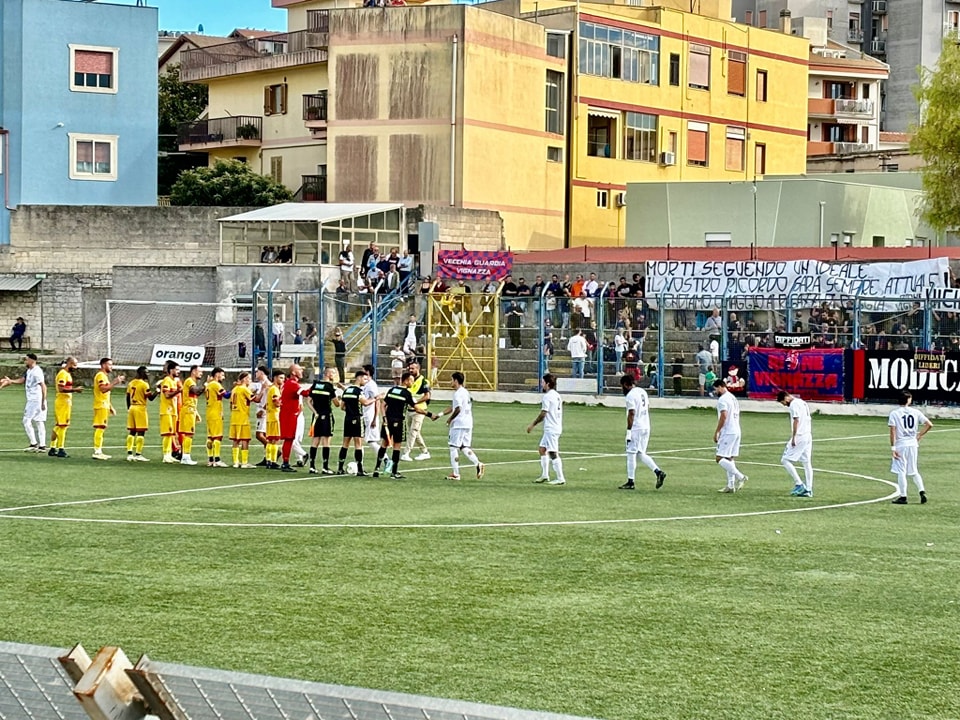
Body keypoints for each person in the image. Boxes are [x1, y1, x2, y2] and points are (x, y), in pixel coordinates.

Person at [375, 371, 437, 479]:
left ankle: (376, 469)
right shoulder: (407, 394)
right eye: (411, 380)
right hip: (399, 422)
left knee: (384, 444)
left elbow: (383, 404)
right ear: (406, 380)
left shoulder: (392, 390)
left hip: (388, 421)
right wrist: (429, 414)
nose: (412, 383)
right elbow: (416, 408)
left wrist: (384, 418)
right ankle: (394, 472)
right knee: (397, 447)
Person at [618, 374, 667, 491]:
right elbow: (648, 407)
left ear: (625, 384)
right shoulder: (642, 391)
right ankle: (658, 472)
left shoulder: (630, 396)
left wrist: (629, 431)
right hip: (646, 426)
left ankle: (631, 481)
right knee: (640, 453)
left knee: (631, 453)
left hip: (636, 428)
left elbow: (631, 413)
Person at [437, 371, 484, 481]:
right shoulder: (465, 392)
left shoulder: (458, 393)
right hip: (468, 423)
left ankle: (456, 473)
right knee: (464, 447)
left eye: (451, 380)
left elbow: (457, 409)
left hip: (459, 424)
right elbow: (454, 406)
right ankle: (478, 463)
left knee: (453, 447)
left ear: (456, 381)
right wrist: (440, 414)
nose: (450, 382)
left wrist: (450, 419)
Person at [888, 391, 933, 505]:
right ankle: (922, 491)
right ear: (908, 400)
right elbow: (929, 424)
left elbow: (893, 431)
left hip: (901, 444)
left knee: (901, 471)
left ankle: (903, 496)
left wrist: (893, 448)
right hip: (913, 444)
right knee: (913, 470)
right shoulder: (915, 412)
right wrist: (919, 435)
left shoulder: (894, 413)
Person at [0, 353, 48, 453]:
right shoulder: (29, 370)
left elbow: (43, 386)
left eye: (26, 360)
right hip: (34, 400)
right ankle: (42, 446)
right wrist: (11, 381)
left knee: (27, 421)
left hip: (35, 400)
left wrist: (43, 401)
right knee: (39, 421)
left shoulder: (37, 372)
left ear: (32, 360)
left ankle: (34, 443)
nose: (25, 361)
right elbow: (23, 380)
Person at [526, 372, 566, 485]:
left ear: (547, 384)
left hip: (551, 428)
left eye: (543, 382)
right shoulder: (557, 395)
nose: (541, 384)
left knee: (553, 452)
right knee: (542, 449)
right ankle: (545, 475)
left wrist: (532, 424)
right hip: (555, 426)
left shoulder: (547, 397)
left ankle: (560, 478)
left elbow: (543, 413)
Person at [776, 391, 814, 498]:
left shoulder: (794, 404)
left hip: (800, 436)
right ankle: (809, 489)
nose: (784, 404)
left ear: (786, 398)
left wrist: (794, 437)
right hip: (807, 435)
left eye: (783, 402)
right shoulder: (802, 402)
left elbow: (796, 420)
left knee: (785, 460)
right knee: (807, 463)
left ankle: (799, 484)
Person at [713, 379, 748, 493]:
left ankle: (740, 476)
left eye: (715, 389)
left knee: (719, 458)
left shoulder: (723, 399)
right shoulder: (732, 397)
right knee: (729, 458)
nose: (715, 392)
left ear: (720, 387)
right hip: (736, 430)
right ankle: (730, 485)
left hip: (728, 431)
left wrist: (717, 431)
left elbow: (724, 416)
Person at [89, 357, 125, 460]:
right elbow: (103, 389)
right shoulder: (100, 375)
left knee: (101, 428)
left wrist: (110, 406)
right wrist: (115, 382)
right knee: (100, 428)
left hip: (104, 405)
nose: (111, 367)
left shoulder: (104, 376)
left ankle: (99, 450)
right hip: (100, 405)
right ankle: (97, 451)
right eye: (109, 364)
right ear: (103, 365)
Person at [305, 366, 337, 475]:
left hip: (316, 416)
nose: (334, 375)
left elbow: (308, 401)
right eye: (333, 373)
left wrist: (314, 412)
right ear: (328, 374)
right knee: (326, 441)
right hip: (326, 415)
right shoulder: (329, 387)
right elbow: (336, 404)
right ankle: (325, 467)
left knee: (315, 440)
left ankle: (312, 466)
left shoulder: (315, 384)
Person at [336, 370, 368, 476]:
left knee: (345, 443)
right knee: (358, 444)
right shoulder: (359, 391)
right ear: (358, 378)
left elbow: (342, 407)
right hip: (357, 418)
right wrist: (376, 398)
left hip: (348, 418)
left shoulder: (347, 390)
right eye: (364, 378)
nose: (365, 381)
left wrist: (349, 410)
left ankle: (340, 468)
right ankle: (360, 469)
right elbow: (365, 403)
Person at [48, 357, 82, 457]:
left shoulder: (67, 374)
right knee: (63, 426)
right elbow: (61, 389)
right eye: (74, 365)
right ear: (69, 364)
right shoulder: (63, 374)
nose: (76, 367)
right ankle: (61, 449)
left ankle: (52, 448)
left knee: (59, 425)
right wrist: (75, 390)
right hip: (62, 402)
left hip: (65, 402)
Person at [401, 361, 431, 462]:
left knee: (413, 431)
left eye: (412, 368)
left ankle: (406, 453)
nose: (410, 370)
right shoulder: (409, 381)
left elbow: (427, 396)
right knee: (414, 432)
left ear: (418, 369)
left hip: (419, 410)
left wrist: (415, 402)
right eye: (409, 368)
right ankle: (425, 452)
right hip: (410, 410)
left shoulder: (424, 381)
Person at [229, 371, 260, 469]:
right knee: (245, 440)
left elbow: (230, 405)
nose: (250, 381)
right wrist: (263, 390)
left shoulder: (234, 389)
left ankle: (235, 462)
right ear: (245, 379)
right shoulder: (244, 389)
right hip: (243, 418)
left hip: (234, 417)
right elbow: (256, 400)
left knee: (235, 440)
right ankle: (244, 462)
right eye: (249, 379)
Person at [124, 366, 155, 462]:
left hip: (132, 407)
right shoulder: (144, 384)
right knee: (141, 432)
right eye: (146, 372)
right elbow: (150, 398)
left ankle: (129, 454)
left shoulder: (131, 383)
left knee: (132, 431)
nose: (148, 374)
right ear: (141, 373)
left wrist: (129, 408)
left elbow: (127, 396)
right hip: (140, 408)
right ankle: (138, 454)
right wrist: (158, 391)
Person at [278, 363, 305, 472]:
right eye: (299, 369)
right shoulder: (293, 384)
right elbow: (305, 393)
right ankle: (285, 463)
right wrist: (317, 388)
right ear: (293, 372)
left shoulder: (289, 383)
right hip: (290, 415)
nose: (302, 371)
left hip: (288, 414)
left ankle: (285, 462)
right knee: (289, 439)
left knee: (289, 439)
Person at [177, 364, 203, 466]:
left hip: (190, 410)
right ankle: (185, 457)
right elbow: (196, 391)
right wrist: (205, 385)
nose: (201, 373)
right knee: (189, 434)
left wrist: (196, 412)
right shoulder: (189, 381)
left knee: (188, 434)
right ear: (193, 372)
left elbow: (194, 395)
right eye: (200, 371)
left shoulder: (191, 382)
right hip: (188, 410)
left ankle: (185, 456)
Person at [157, 360, 181, 464]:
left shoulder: (173, 381)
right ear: (171, 370)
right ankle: (165, 455)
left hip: (172, 411)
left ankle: (169, 454)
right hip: (166, 410)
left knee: (171, 433)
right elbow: (167, 395)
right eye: (177, 370)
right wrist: (178, 391)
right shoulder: (166, 380)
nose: (178, 372)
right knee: (167, 434)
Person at [204, 367, 228, 467]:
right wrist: (237, 389)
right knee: (217, 437)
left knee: (210, 437)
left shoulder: (209, 385)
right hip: (215, 413)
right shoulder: (215, 384)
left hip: (210, 412)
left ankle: (210, 459)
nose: (224, 377)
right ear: (217, 374)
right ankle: (217, 460)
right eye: (222, 375)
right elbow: (226, 395)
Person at [264, 370, 284, 470]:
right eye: (281, 378)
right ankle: (273, 461)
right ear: (275, 378)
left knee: (270, 440)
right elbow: (276, 403)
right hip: (275, 417)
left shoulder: (270, 389)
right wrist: (284, 403)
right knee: (275, 440)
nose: (282, 380)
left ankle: (268, 460)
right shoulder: (275, 389)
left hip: (269, 417)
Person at [251, 366, 270, 466]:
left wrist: (263, 410)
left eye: (257, 372)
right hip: (262, 411)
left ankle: (274, 451)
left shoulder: (267, 385)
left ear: (262, 373)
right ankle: (267, 457)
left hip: (264, 413)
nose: (256, 373)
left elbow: (268, 400)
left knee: (259, 435)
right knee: (265, 435)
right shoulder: (261, 384)